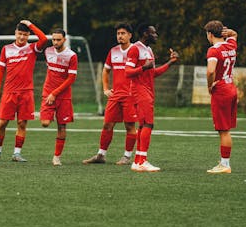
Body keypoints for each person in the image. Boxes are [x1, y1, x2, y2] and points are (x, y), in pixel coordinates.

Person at [0, 19, 48, 162]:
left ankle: (17, 153)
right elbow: (0, 71)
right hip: (9, 92)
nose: (22, 37)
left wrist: (30, 24)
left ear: (28, 35)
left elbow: (44, 38)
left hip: (26, 92)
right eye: (20, 34)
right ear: (15, 33)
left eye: (25, 35)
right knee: (2, 123)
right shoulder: (6, 49)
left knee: (22, 123)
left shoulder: (33, 48)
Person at [125, 23, 179, 172]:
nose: (156, 35)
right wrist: (143, 67)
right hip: (139, 91)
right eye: (153, 33)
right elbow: (128, 72)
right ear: (144, 34)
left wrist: (170, 62)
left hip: (147, 91)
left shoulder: (148, 50)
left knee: (143, 125)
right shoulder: (135, 49)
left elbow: (153, 73)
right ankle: (143, 160)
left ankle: (137, 161)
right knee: (148, 124)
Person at [83, 22, 138, 166]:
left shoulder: (136, 50)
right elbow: (106, 70)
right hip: (115, 95)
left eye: (123, 33)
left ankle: (127, 157)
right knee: (107, 124)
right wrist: (106, 89)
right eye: (118, 33)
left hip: (131, 95)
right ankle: (101, 155)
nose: (120, 36)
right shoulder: (113, 51)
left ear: (130, 35)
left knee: (129, 126)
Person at [203, 20, 238, 174]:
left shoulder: (213, 50)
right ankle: (224, 162)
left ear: (210, 34)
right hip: (231, 87)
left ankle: (225, 164)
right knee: (226, 129)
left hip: (222, 90)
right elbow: (234, 34)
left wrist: (210, 85)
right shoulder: (231, 45)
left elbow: (211, 71)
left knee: (223, 130)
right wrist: (229, 32)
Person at [40, 28, 78, 166]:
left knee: (62, 126)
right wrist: (50, 93)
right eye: (53, 39)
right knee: (44, 123)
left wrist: (55, 93)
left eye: (58, 40)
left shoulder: (72, 56)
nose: (55, 42)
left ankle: (56, 157)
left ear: (64, 40)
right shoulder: (47, 51)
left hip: (63, 96)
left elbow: (71, 79)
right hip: (47, 93)